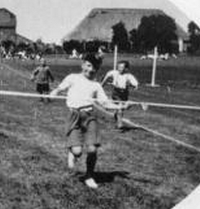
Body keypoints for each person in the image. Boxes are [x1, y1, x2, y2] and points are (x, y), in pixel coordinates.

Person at [49, 53, 120, 189]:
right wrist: (55, 92)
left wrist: (120, 106)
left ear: (97, 69)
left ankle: (89, 175)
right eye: (88, 65)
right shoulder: (73, 78)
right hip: (74, 116)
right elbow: (60, 87)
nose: (90, 69)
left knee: (92, 149)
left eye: (94, 67)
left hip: (89, 117)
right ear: (82, 64)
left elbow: (105, 103)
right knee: (77, 151)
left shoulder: (96, 85)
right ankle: (72, 152)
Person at [101, 60, 139, 130]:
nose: (119, 69)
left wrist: (133, 86)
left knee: (121, 108)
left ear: (126, 69)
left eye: (121, 67)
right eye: (118, 67)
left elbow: (135, 85)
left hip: (124, 94)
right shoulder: (114, 73)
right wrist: (102, 85)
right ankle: (120, 124)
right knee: (120, 108)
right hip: (116, 93)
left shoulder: (129, 76)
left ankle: (117, 115)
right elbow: (106, 77)